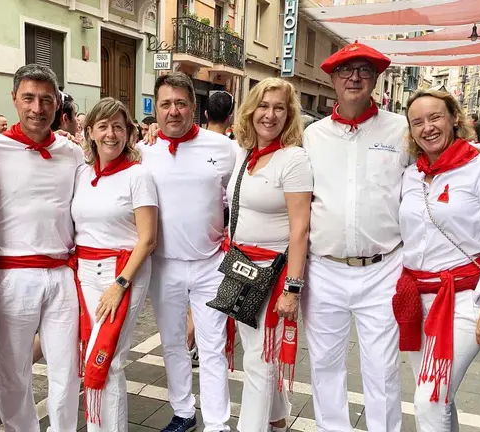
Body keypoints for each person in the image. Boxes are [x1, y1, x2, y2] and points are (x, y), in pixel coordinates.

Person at [393, 89, 480, 432]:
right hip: (416, 300)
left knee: (429, 398)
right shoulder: (412, 175)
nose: (427, 127)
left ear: (454, 119)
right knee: (437, 398)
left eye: (435, 117)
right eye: (417, 122)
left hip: (464, 298)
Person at [302, 42, 409, 432]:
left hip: (383, 268)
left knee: (381, 367)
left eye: (364, 70)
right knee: (324, 363)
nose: (355, 77)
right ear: (331, 79)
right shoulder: (312, 135)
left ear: (375, 79)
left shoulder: (400, 129)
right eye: (346, 71)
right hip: (325, 269)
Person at [0, 64, 84, 432]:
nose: (37, 108)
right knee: (12, 371)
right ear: (14, 100)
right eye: (28, 98)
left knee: (67, 369)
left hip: (61, 275)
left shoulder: (72, 154)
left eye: (46, 100)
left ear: (57, 105)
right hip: (10, 275)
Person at [139, 71, 236, 432]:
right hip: (163, 266)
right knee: (173, 344)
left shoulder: (223, 147)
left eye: (181, 103)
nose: (174, 111)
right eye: (166, 104)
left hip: (212, 263)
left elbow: (243, 193)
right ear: (156, 109)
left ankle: (216, 423)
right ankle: (183, 412)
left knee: (212, 345)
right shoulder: (143, 152)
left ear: (194, 107)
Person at [226, 77, 312, 432]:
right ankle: (277, 418)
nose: (270, 114)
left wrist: (292, 288)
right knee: (260, 354)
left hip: (273, 274)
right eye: (264, 105)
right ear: (251, 110)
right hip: (242, 268)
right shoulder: (245, 154)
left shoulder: (293, 159)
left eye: (280, 108)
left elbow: (300, 229)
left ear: (290, 115)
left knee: (260, 361)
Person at [71, 97, 158, 430]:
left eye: (118, 127)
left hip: (122, 274)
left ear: (129, 133)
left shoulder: (138, 176)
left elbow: (148, 239)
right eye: (103, 126)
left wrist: (119, 285)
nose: (111, 134)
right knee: (94, 357)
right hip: (85, 272)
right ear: (90, 131)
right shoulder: (81, 173)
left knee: (109, 360)